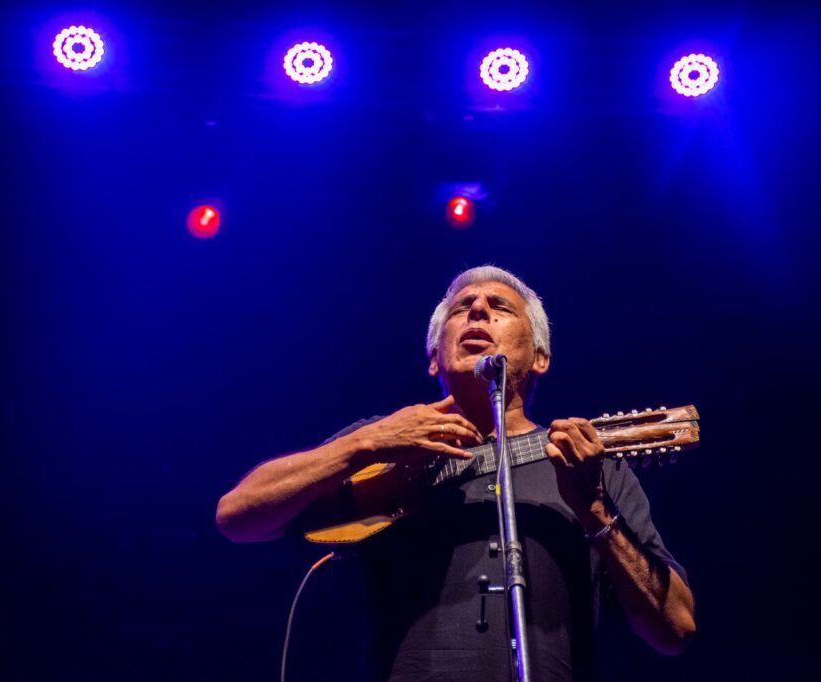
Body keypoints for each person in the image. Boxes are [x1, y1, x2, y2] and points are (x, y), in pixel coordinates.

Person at [216, 265, 696, 681]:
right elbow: (236, 516)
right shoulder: (383, 447)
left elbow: (675, 628)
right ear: (433, 359)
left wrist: (595, 511)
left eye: (499, 307)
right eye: (461, 308)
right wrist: (365, 442)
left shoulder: (587, 466)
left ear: (540, 357)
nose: (478, 311)